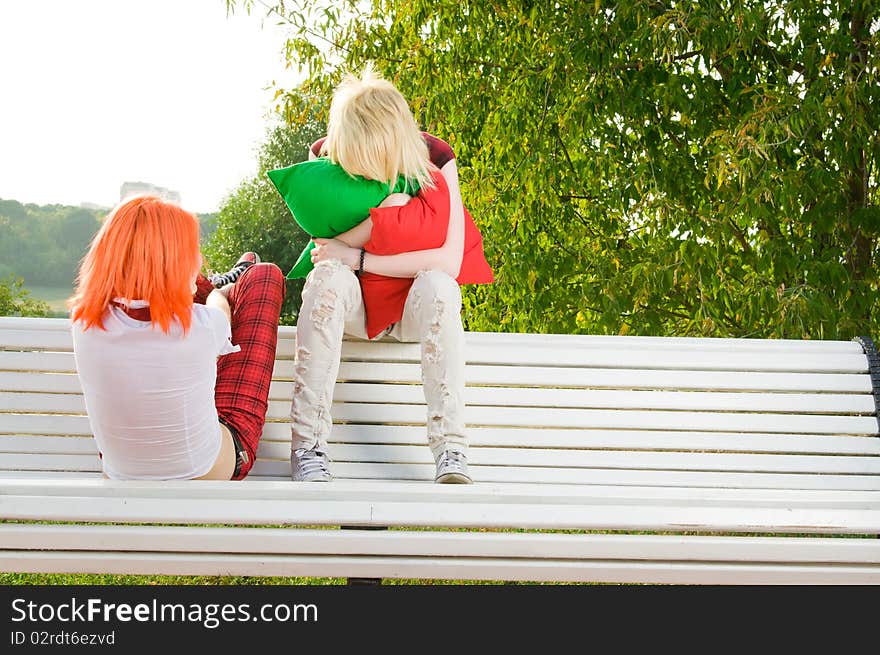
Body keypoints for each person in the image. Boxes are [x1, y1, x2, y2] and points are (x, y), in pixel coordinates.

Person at [290, 69, 494, 484]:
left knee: (440, 286)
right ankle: (308, 446)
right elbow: (323, 247)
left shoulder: (436, 156)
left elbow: (448, 261)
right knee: (328, 277)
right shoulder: (324, 152)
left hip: (410, 309)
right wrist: (383, 223)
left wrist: (361, 257)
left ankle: (451, 448)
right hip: (354, 306)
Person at [69, 195, 285, 481]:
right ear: (173, 263)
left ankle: (218, 279)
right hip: (208, 469)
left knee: (165, 300)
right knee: (263, 276)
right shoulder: (201, 325)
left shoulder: (83, 323)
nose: (197, 258)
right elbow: (219, 312)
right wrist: (218, 294)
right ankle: (225, 281)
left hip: (122, 471)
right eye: (191, 252)